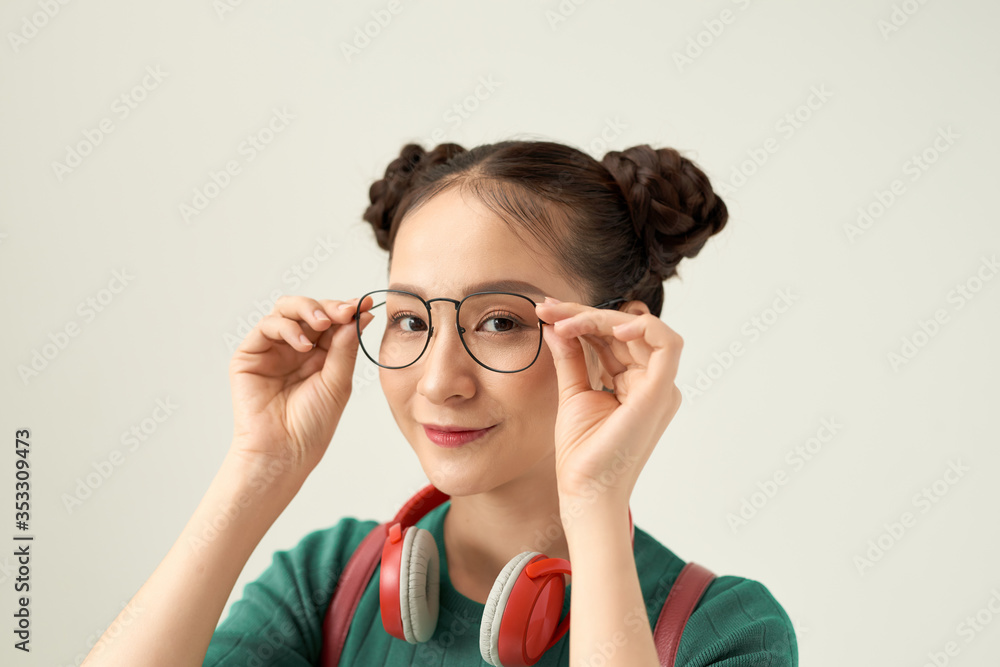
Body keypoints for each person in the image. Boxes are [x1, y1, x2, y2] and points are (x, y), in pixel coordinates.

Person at [82, 140, 798, 666]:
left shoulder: (723, 630)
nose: (437, 380)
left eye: (500, 321)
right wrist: (258, 468)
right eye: (411, 321)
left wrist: (598, 503)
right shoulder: (327, 582)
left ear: (614, 342)